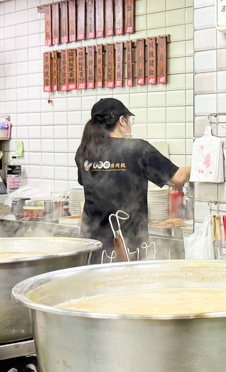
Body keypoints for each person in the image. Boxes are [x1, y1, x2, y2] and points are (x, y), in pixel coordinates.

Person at [77, 98, 190, 258]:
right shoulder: (137, 149)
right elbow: (178, 177)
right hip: (129, 247)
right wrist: (203, 164)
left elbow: (86, 182)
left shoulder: (84, 151)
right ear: (122, 121)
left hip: (92, 247)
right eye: (129, 120)